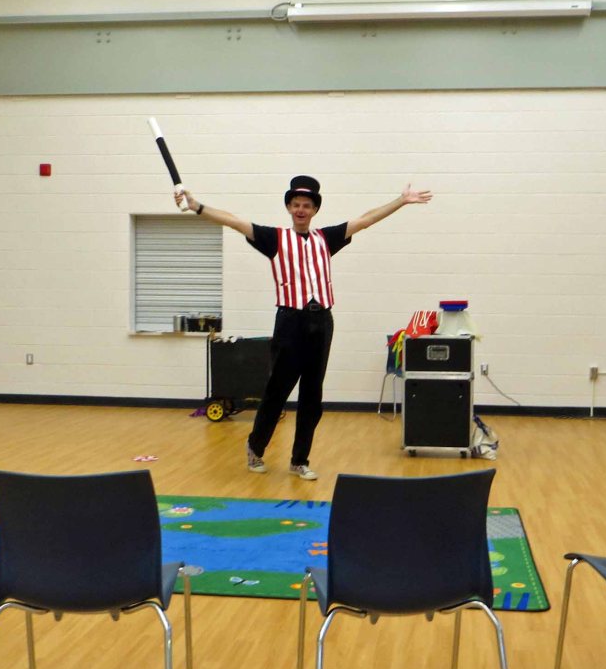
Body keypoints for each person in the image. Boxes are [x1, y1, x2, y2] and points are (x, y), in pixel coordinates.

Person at [176, 176, 432, 479]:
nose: (301, 209)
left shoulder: (327, 238)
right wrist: (196, 206)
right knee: (277, 392)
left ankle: (300, 460)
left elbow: (365, 220)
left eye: (306, 205)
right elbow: (233, 221)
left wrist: (401, 201)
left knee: (312, 396)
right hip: (290, 322)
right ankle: (256, 448)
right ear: (289, 207)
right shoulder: (274, 238)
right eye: (296, 204)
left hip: (321, 322)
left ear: (314, 210)